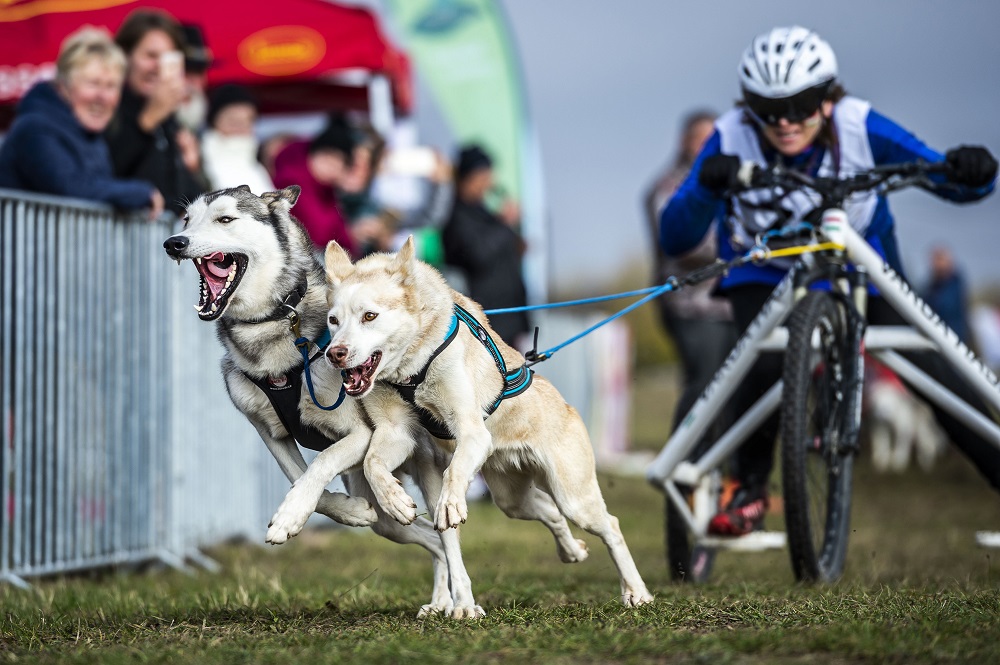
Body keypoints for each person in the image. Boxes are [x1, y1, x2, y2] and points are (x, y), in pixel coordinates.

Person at [660, 26, 1000, 536]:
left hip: (863, 268)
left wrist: (975, 172)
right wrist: (706, 188)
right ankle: (748, 488)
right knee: (765, 359)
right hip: (765, 272)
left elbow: (944, 177)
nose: (784, 122)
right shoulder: (730, 134)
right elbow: (676, 234)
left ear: (827, 98)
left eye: (800, 105)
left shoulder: (862, 125)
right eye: (767, 108)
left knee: (934, 369)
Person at [643, 109, 736, 448]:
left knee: (734, 392)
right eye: (702, 139)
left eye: (716, 139)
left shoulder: (729, 184)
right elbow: (683, 244)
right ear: (684, 142)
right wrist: (739, 244)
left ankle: (725, 476)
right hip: (690, 307)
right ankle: (684, 467)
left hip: (730, 304)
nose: (709, 146)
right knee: (704, 385)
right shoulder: (667, 187)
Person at [0, 26, 162, 216]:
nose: (102, 96)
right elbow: (71, 189)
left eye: (111, 86)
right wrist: (141, 193)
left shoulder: (90, 135)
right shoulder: (34, 128)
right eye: (93, 83)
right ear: (63, 86)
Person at [104, 9, 207, 215]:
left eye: (168, 58)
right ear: (125, 56)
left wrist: (193, 168)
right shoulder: (105, 105)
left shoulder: (170, 120)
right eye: (150, 55)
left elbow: (186, 197)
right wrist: (146, 122)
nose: (159, 66)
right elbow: (102, 174)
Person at [442, 144, 530, 348]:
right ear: (467, 177)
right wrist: (504, 224)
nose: (487, 183)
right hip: (485, 321)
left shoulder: (485, 213)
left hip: (510, 319)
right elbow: (477, 254)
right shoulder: (455, 216)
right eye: (482, 177)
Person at [271, 118, 360, 256]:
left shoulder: (326, 190)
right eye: (327, 160)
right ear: (313, 155)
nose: (331, 168)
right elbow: (317, 233)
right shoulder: (291, 182)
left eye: (338, 164)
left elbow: (344, 236)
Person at [200, 84, 275, 194]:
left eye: (247, 122)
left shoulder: (258, 166)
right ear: (214, 122)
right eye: (233, 122)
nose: (241, 129)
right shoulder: (199, 160)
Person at [920, 245, 971, 344]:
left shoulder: (954, 286)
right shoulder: (932, 286)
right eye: (935, 259)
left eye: (940, 259)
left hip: (953, 339)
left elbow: (944, 307)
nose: (936, 264)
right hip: (938, 337)